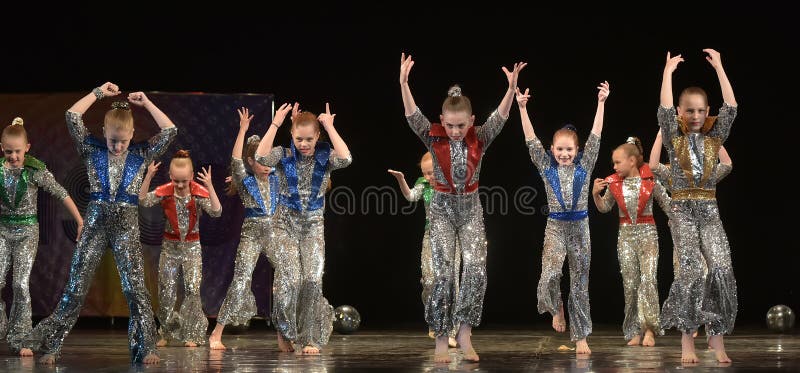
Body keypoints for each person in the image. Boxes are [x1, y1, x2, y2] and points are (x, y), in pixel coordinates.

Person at [23, 82, 177, 364]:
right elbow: (72, 115)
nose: (118, 146)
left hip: (127, 224)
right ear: (104, 133)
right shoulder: (91, 149)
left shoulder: (141, 153)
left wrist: (147, 103)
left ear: (132, 134)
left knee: (135, 288)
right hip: (96, 221)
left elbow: (169, 131)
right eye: (112, 140)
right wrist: (97, 93)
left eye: (123, 140)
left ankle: (146, 347)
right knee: (76, 285)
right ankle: (52, 344)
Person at [399, 52, 526, 363]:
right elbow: (412, 114)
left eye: (460, 126)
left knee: (476, 270)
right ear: (443, 121)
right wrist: (403, 82)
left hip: (470, 211)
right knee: (442, 274)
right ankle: (441, 337)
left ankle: (465, 332)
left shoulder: (480, 137)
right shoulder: (433, 137)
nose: (455, 131)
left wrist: (510, 90)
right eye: (451, 126)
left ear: (470, 122)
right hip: (441, 210)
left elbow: (500, 117)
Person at [515, 81, 610, 355]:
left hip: (580, 227)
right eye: (559, 150)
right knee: (551, 271)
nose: (564, 154)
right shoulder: (546, 167)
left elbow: (596, 135)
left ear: (577, 151)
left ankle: (581, 336)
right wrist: (522, 109)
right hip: (555, 226)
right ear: (552, 149)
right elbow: (530, 140)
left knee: (580, 283)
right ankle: (556, 308)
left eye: (569, 150)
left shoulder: (585, 164)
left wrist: (601, 103)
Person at [656, 49, 737, 364]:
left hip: (709, 211)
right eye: (689, 111)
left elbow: (730, 107)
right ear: (681, 111)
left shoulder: (713, 136)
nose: (695, 116)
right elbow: (663, 108)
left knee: (719, 269)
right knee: (692, 272)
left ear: (706, 112)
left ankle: (717, 343)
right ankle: (687, 344)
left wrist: (719, 67)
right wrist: (667, 73)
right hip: (683, 212)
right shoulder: (672, 134)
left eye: (701, 111)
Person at [254, 102, 352, 354]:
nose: (304, 144)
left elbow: (346, 158)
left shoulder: (324, 156)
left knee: (311, 279)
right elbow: (261, 157)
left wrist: (330, 127)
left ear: (317, 136)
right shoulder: (284, 155)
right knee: (290, 278)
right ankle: (284, 330)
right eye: (299, 139)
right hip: (284, 225)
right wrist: (275, 123)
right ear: (292, 136)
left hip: (313, 227)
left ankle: (309, 338)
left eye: (309, 138)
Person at [0, 117, 84, 356]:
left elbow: (61, 193)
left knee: (20, 284)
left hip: (27, 231)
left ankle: (21, 338)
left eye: (17, 151)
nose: (13, 157)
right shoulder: (0, 171)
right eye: (8, 152)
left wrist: (79, 220)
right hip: (3, 230)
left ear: (27, 148)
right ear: (1, 148)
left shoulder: (35, 170)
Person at [208, 107, 280, 350]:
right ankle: (216, 333)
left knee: (286, 277)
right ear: (252, 162)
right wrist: (242, 130)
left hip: (275, 234)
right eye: (261, 160)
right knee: (240, 280)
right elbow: (235, 160)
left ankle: (283, 334)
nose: (267, 164)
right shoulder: (245, 180)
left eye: (269, 159)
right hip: (251, 234)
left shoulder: (278, 178)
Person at [592, 136, 671, 347]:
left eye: (618, 162)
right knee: (631, 284)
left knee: (648, 280)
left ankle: (650, 330)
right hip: (625, 236)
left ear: (632, 161)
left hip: (648, 235)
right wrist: (596, 195)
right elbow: (604, 208)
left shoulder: (650, 180)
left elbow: (668, 205)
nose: (614, 166)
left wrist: (683, 216)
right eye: (613, 163)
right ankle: (634, 329)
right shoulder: (615, 183)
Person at [139, 150, 222, 347]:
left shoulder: (197, 192)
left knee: (192, 289)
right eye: (177, 181)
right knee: (166, 290)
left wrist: (209, 185)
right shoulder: (166, 191)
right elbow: (142, 200)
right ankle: (166, 332)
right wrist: (149, 176)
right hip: (170, 247)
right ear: (170, 176)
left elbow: (217, 211)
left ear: (192, 176)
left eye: (185, 181)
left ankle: (192, 335)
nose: (181, 185)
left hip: (192, 247)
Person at [388, 152, 459, 348]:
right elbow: (411, 196)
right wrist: (402, 180)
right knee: (429, 281)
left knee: (451, 282)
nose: (428, 177)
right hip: (431, 237)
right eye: (425, 173)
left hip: (454, 238)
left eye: (432, 173)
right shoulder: (424, 183)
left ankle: (449, 331)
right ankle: (434, 318)